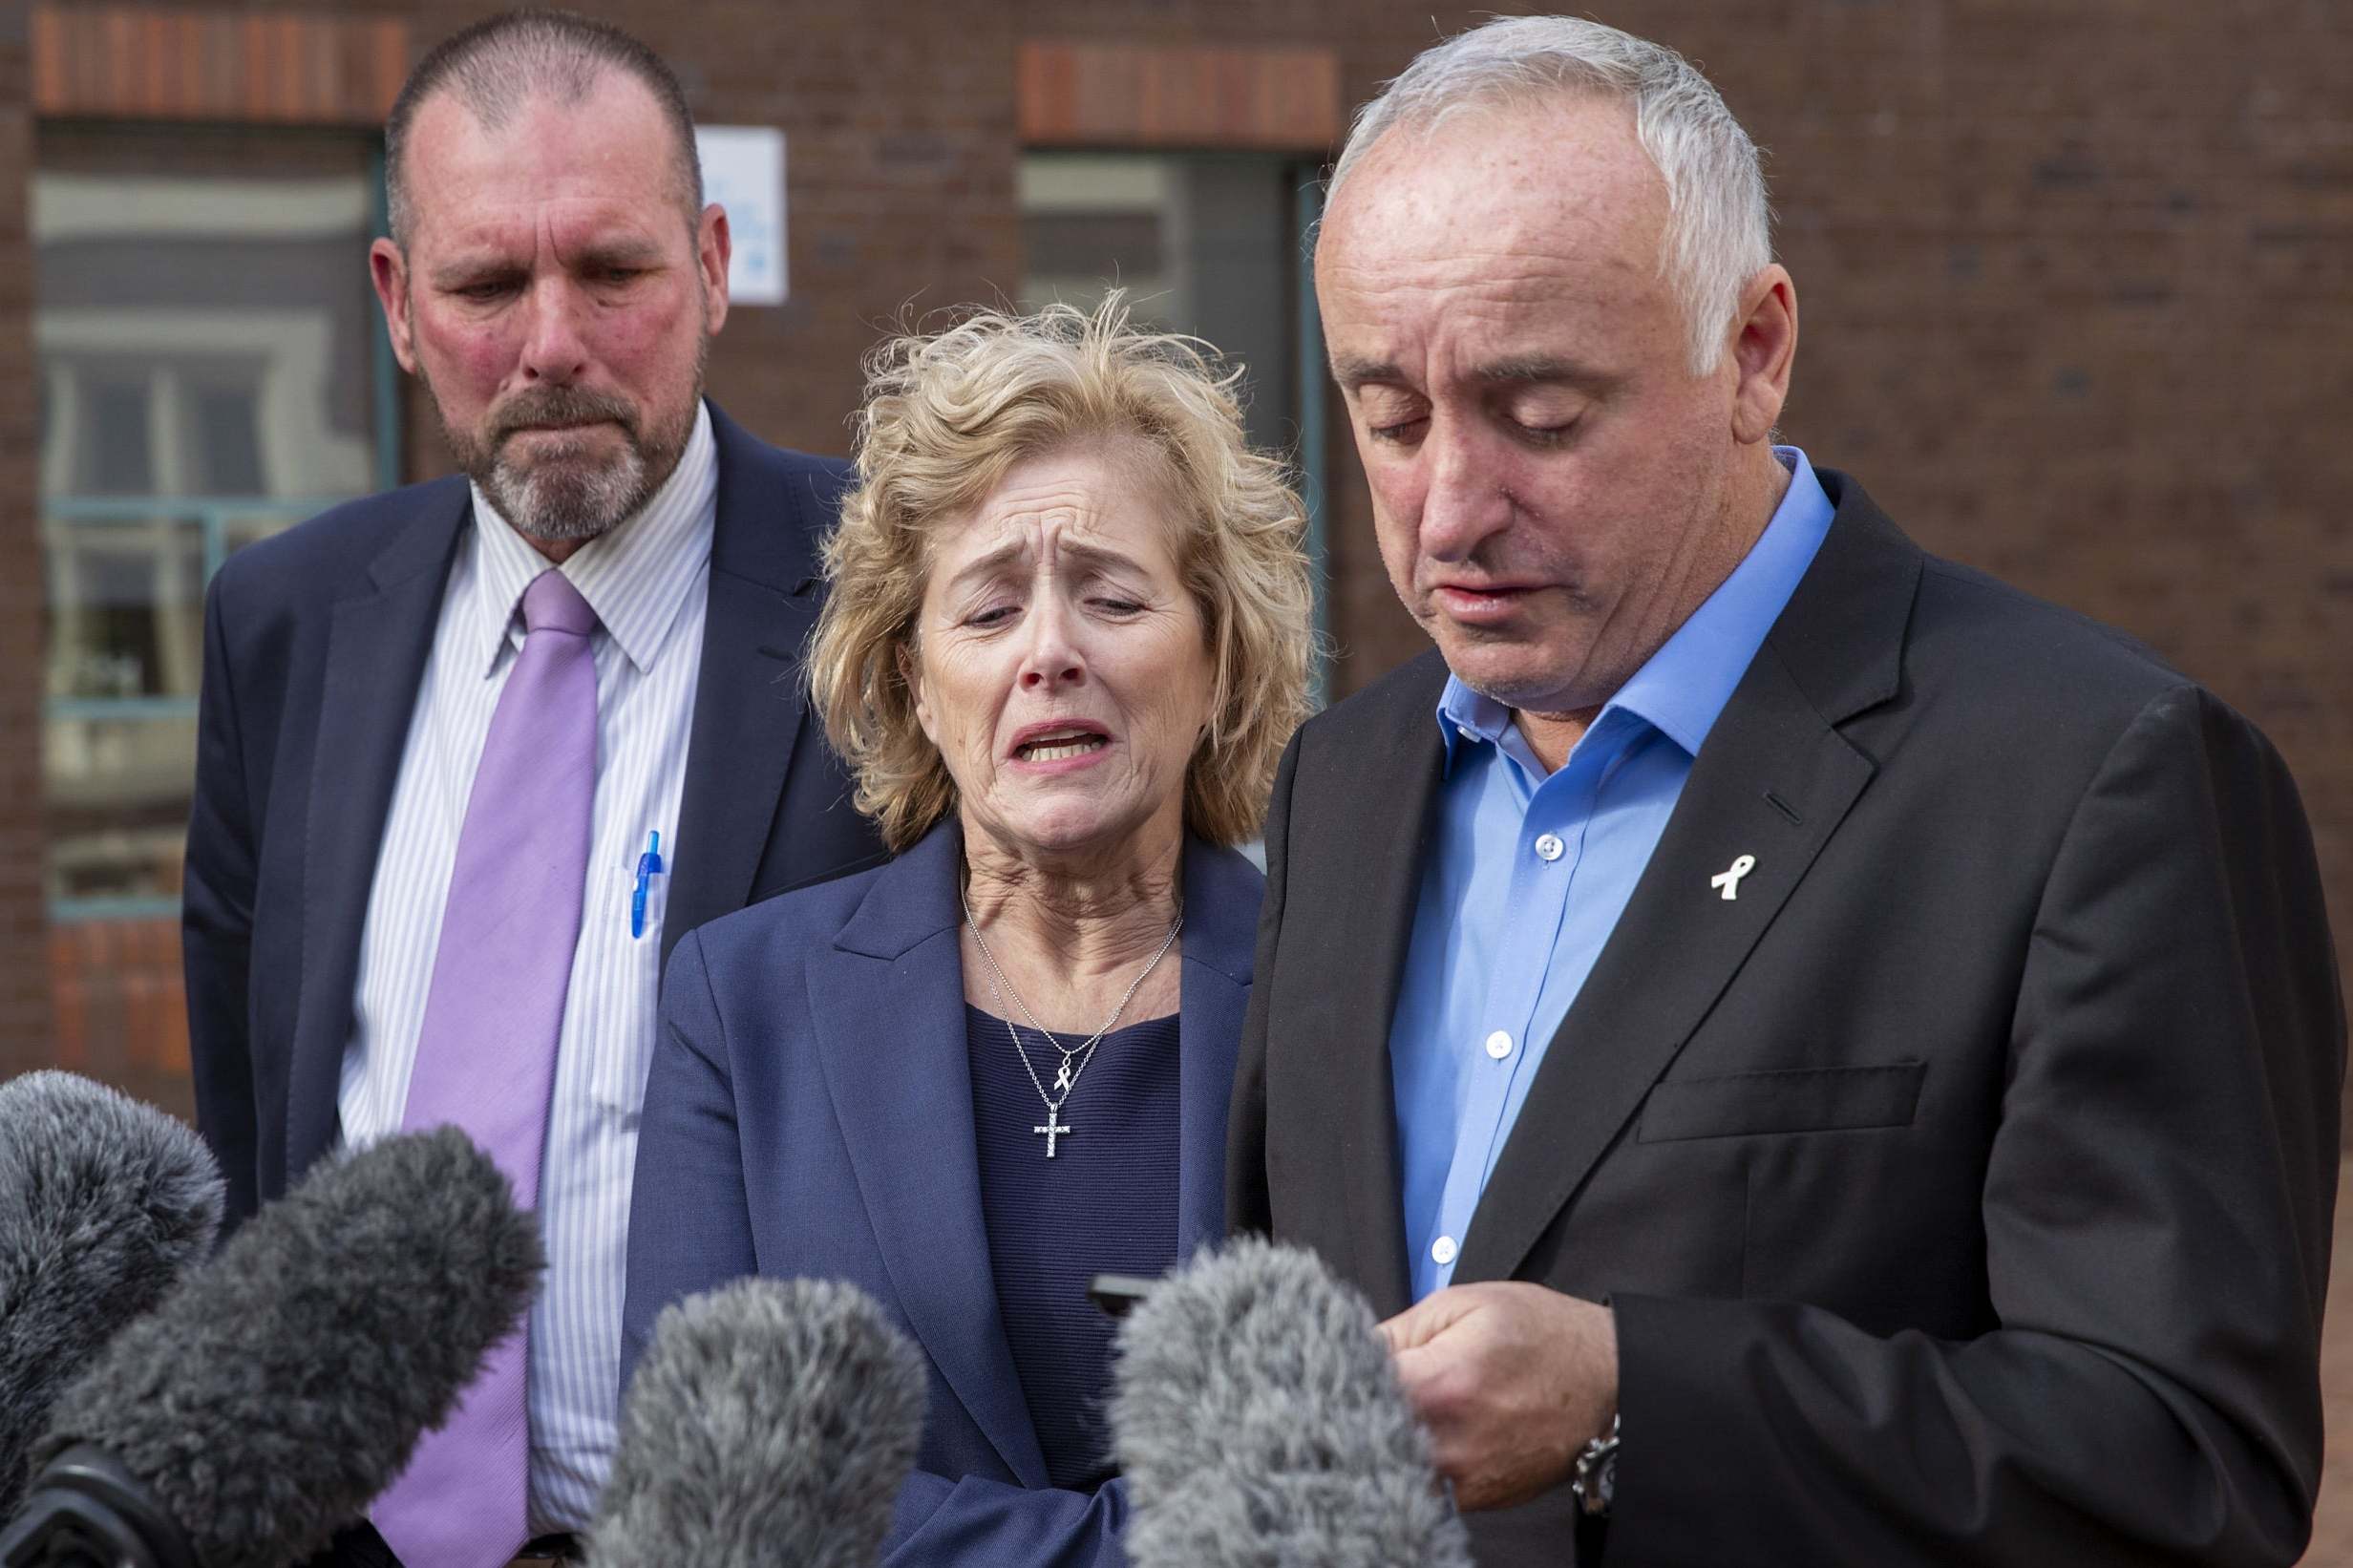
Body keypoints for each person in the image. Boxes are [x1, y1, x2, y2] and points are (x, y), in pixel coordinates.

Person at [1227, 15, 2344, 1567]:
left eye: (1542, 414)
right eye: (1391, 418)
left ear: (1754, 351)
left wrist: (1637, 1397)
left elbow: (2184, 1469)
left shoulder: (2104, 779)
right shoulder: (1339, 782)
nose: (1451, 507)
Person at [180, 12, 884, 1565]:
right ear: (399, 304)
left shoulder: (896, 604)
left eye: (612, 272)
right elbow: (254, 1125)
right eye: (489, 284)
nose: (552, 341)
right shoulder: (283, 624)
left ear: (708, 265)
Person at [623, 298, 1314, 1565]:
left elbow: (1369, 1460)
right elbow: (704, 1486)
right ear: (911, 685)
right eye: (989, 612)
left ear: (1218, 658)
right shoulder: (744, 1004)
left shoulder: (1336, 988)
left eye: (1111, 596)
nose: (1049, 650)